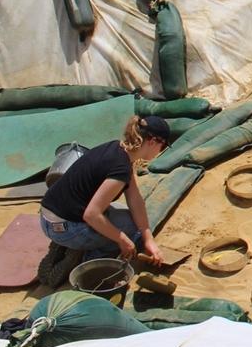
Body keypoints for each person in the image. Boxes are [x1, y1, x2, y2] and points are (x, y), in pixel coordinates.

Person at [37, 115, 169, 287]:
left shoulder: (117, 149)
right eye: (163, 145)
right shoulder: (120, 167)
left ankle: (68, 246)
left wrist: (148, 238)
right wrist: (123, 240)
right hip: (65, 227)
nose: (161, 150)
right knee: (128, 231)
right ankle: (86, 262)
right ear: (152, 142)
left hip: (50, 215)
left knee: (129, 220)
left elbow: (134, 199)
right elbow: (92, 214)